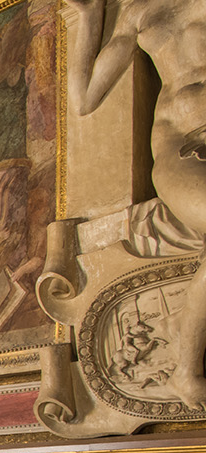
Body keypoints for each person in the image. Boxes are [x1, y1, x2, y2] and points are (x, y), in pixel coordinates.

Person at [67, 0, 206, 405]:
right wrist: (90, 17)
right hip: (181, 146)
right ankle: (186, 370)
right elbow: (83, 98)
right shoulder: (135, 11)